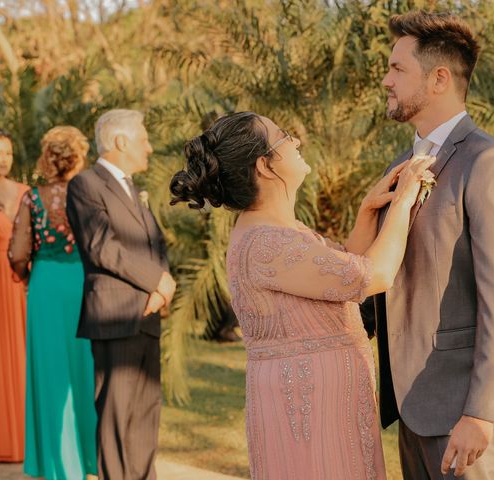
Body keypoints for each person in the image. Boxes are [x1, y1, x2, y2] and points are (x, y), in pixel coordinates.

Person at [169, 111, 431, 479]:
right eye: (285, 137)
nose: (296, 141)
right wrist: (405, 200)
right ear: (264, 165)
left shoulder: (279, 231)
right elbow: (372, 276)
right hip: (309, 410)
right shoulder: (267, 244)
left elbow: (339, 279)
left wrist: (366, 213)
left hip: (326, 404)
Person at [374, 11, 494, 479]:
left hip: (466, 410)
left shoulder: (490, 163)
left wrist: (482, 413)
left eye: (397, 69)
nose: (386, 80)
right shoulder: (400, 164)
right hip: (412, 404)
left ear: (439, 79)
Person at [66, 109, 176, 480]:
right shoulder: (86, 185)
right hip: (114, 315)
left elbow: (154, 244)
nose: (150, 146)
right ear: (120, 142)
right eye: (144, 139)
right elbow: (102, 247)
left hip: (147, 315)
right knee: (116, 415)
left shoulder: (132, 189)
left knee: (147, 412)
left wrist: (164, 286)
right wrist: (156, 282)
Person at [9, 126, 98, 479]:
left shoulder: (32, 199)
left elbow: (17, 254)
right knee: (85, 370)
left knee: (50, 372)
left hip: (45, 286)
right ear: (78, 157)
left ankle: (60, 464)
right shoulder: (90, 196)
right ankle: (91, 458)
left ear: (47, 158)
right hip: (82, 284)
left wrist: (31, 276)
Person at [0, 128, 27, 463]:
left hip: (17, 285)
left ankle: (17, 438)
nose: (3, 159)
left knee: (17, 357)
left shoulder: (25, 193)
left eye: (7, 152)